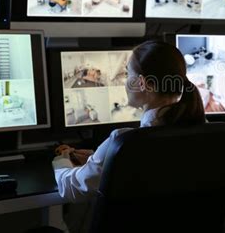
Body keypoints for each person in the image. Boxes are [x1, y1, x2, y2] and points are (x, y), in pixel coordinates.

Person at [52, 40, 205, 202]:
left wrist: (61, 162)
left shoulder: (125, 142)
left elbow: (72, 188)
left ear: (141, 83)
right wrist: (101, 158)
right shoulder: (210, 133)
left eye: (127, 74)